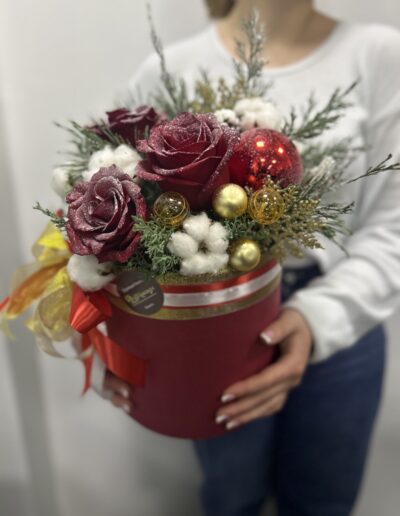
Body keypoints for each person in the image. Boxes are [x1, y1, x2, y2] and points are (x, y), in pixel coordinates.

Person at [96, 1, 400, 514]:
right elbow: (118, 211)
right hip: (210, 327)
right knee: (231, 499)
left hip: (344, 318)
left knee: (325, 502)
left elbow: (393, 226)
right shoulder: (169, 69)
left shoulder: (379, 55)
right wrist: (120, 332)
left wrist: (317, 317)